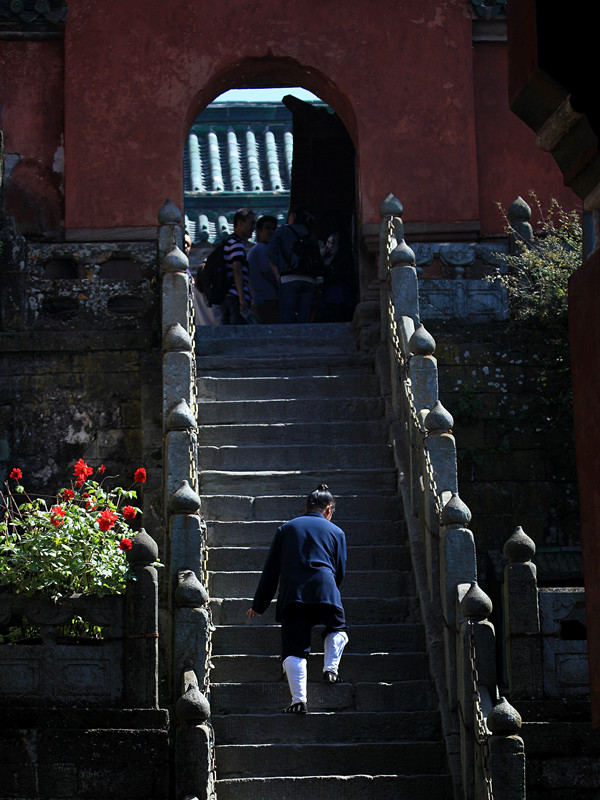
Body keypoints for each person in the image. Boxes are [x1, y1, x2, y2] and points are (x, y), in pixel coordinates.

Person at [246, 484, 349, 714]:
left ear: (306, 507)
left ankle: (298, 701)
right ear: (329, 509)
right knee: (337, 627)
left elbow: (271, 570)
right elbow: (340, 570)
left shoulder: (286, 529)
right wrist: (329, 590)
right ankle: (330, 669)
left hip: (293, 593)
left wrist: (259, 604)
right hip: (326, 588)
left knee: (295, 647)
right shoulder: (337, 532)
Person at [266, 205, 322, 324]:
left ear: (294, 216)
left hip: (288, 278)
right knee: (305, 319)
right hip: (310, 280)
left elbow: (270, 254)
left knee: (287, 318)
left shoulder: (283, 231)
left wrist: (278, 276)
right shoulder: (311, 236)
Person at [222, 207, 255, 325]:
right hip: (236, 297)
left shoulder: (229, 242)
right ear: (240, 223)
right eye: (251, 223)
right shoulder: (237, 244)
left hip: (227, 296)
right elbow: (237, 270)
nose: (253, 228)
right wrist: (242, 299)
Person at [248, 214, 279, 323]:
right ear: (259, 231)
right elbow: (267, 270)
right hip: (266, 299)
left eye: (273, 228)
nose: (271, 231)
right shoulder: (261, 248)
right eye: (267, 228)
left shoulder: (257, 249)